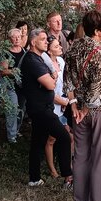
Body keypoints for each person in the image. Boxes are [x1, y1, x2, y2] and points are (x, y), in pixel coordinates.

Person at [64, 10, 101, 201]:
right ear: (96, 31)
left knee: (81, 154)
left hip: (78, 108)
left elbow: (67, 79)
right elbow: (97, 87)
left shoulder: (74, 47)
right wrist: (85, 108)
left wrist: (74, 105)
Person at [23, 29, 72, 188]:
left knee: (37, 143)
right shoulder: (32, 60)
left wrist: (53, 76)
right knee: (64, 137)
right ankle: (68, 176)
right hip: (40, 109)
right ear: (33, 42)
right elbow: (50, 85)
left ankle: (34, 178)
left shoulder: (39, 58)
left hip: (43, 107)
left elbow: (51, 80)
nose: (46, 41)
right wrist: (53, 77)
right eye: (42, 39)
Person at [42, 33, 71, 180]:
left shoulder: (61, 61)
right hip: (54, 106)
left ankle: (67, 165)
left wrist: (68, 100)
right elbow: (50, 91)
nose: (60, 47)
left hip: (65, 104)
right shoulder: (45, 67)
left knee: (69, 135)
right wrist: (64, 102)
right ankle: (52, 169)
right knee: (51, 139)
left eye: (59, 45)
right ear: (49, 50)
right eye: (56, 46)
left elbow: (67, 82)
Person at [0, 27, 26, 144]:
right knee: (12, 109)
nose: (17, 39)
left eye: (18, 37)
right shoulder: (6, 53)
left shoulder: (24, 52)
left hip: (22, 85)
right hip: (10, 85)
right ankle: (11, 136)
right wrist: (15, 71)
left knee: (21, 109)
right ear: (10, 39)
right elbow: (3, 71)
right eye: (14, 37)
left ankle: (16, 130)